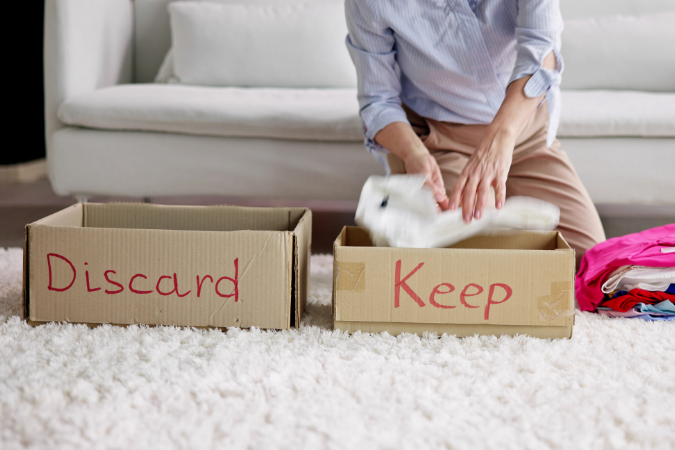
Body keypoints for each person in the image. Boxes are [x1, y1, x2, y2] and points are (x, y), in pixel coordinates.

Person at [345, 0, 606, 266]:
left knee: (591, 260)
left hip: (525, 133)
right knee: (472, 255)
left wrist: (502, 137)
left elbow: (542, 53)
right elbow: (377, 101)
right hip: (438, 141)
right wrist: (412, 153)